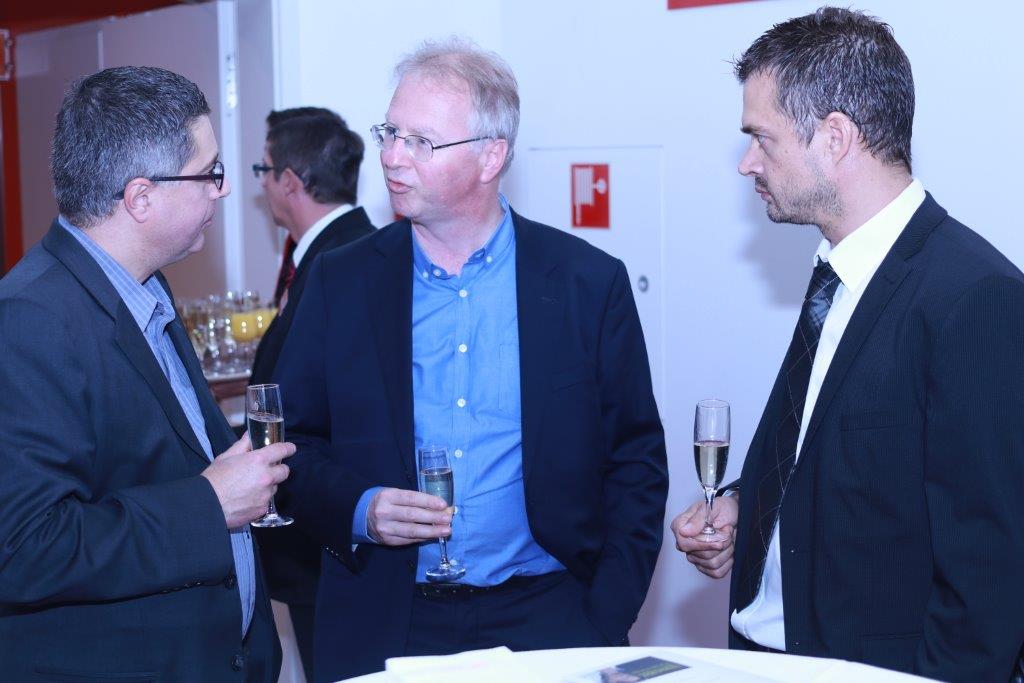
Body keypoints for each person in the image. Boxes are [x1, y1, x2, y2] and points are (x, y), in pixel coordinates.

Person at [273, 39, 668, 681]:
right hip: (385, 618)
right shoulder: (341, 282)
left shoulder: (585, 283)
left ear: (491, 157)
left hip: (549, 619)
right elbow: (288, 444)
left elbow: (636, 459)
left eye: (421, 142)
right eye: (390, 133)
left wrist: (603, 615)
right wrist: (361, 508)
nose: (392, 157)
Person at [670, 8, 1024, 682]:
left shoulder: (974, 295)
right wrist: (748, 507)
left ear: (834, 137)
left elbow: (989, 574)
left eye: (762, 138)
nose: (747, 163)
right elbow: (838, 454)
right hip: (763, 658)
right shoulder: (837, 271)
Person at [0, 66, 293, 682]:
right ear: (140, 198)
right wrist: (210, 505)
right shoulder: (29, 321)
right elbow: (25, 547)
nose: (222, 190)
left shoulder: (144, 288)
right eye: (209, 173)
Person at [249, 106, 375, 680]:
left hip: (328, 541)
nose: (260, 185)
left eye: (263, 169)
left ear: (289, 181)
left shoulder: (345, 265)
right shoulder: (347, 251)